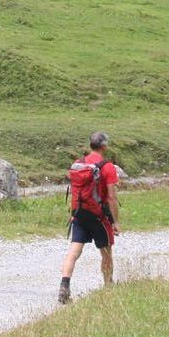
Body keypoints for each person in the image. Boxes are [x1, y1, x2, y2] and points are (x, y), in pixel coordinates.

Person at [58, 131, 120, 305]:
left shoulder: (78, 164)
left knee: (74, 252)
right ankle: (108, 287)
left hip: (78, 214)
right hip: (98, 216)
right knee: (106, 253)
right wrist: (115, 222)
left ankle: (64, 285)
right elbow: (111, 197)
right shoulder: (107, 167)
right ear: (104, 146)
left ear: (90, 145)